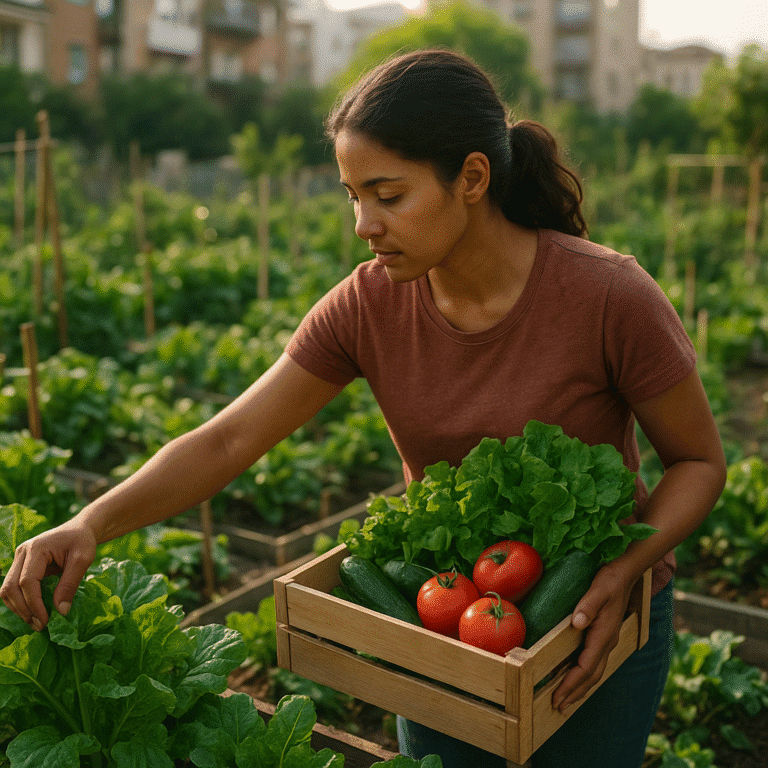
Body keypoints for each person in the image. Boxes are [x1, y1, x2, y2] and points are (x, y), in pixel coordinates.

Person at [1, 50, 726, 768]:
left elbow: (698, 461)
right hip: (440, 622)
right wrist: (91, 521)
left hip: (589, 623)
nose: (362, 225)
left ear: (472, 178)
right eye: (352, 195)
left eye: (388, 194)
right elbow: (229, 440)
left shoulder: (610, 296)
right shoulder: (367, 303)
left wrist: (621, 572)